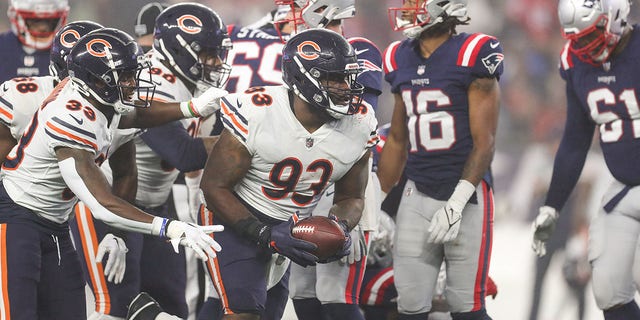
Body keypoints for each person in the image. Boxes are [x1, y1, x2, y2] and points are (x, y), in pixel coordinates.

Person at [0, 27, 226, 319]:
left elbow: (135, 120)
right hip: (17, 220)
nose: (134, 84)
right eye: (127, 77)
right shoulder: (70, 116)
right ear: (98, 81)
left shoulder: (101, 100)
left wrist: (190, 107)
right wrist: (170, 228)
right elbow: (101, 204)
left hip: (55, 224)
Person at [199, 28, 377, 320]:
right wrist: (263, 233)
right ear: (303, 80)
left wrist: (341, 226)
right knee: (244, 313)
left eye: (347, 78)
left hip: (290, 226)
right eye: (334, 78)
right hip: (233, 217)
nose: (346, 87)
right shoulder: (258, 112)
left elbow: (352, 196)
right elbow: (214, 187)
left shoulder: (360, 123)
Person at [71, 4, 233, 319]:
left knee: (173, 305)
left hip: (155, 208)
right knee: (120, 310)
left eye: (219, 52)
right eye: (208, 53)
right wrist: (248, 140)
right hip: (111, 207)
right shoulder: (148, 81)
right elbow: (182, 153)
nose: (216, 62)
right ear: (179, 51)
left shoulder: (188, 80)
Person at [378, 0, 503, 318]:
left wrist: (457, 203)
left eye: (415, 3)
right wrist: (376, 204)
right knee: (409, 306)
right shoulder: (399, 56)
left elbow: (484, 143)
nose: (407, 9)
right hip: (416, 192)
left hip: (467, 196)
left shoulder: (473, 52)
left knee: (466, 307)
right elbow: (396, 138)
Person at [272, 1, 385, 320]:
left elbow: (359, 127)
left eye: (295, 11)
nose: (286, 23)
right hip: (304, 183)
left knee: (336, 296)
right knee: (303, 295)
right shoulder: (297, 56)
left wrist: (359, 213)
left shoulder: (358, 51)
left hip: (344, 184)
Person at [531, 0, 640, 319]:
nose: (584, 48)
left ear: (616, 17)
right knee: (608, 290)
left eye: (590, 36)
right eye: (576, 39)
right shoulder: (575, 62)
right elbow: (576, 139)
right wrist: (552, 204)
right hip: (623, 186)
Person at [0, 0, 69, 81]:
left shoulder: (69, 50)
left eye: (50, 22)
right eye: (35, 22)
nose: (42, 29)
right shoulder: (3, 46)